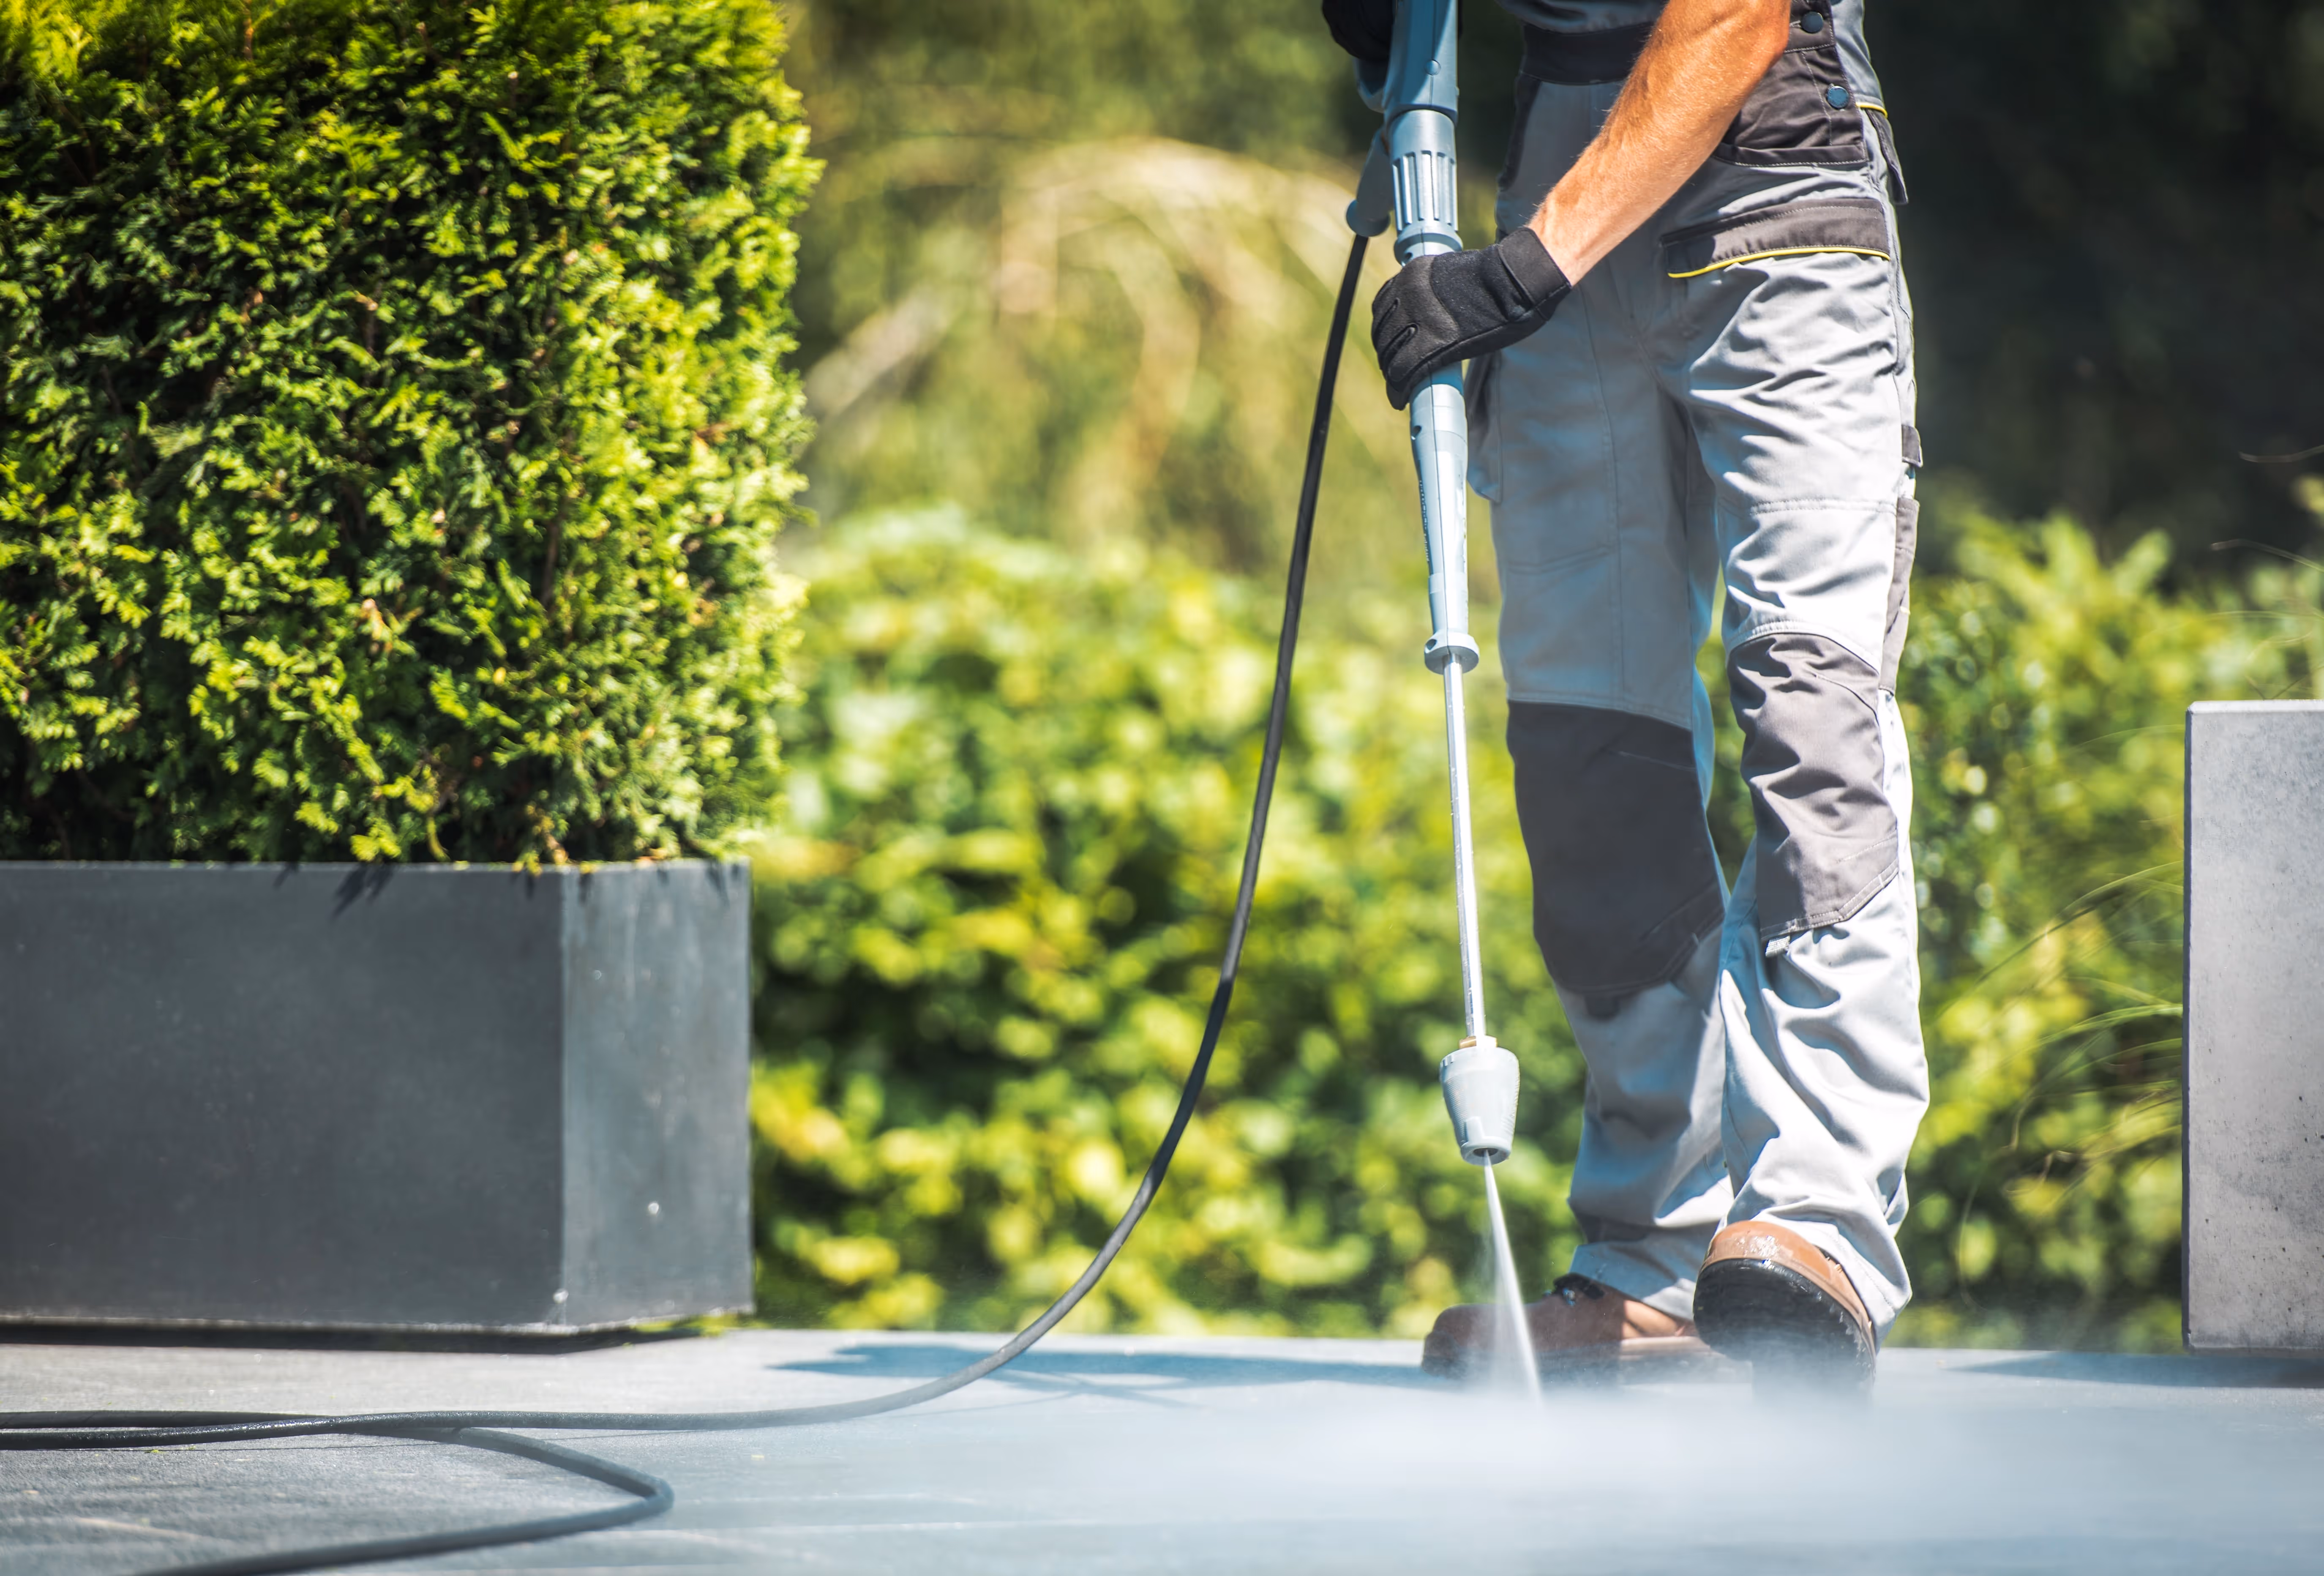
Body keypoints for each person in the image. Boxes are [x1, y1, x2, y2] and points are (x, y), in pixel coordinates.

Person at [1324, 0, 1926, 1382]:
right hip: (1559, 170)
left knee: (1808, 712)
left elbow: (1731, 19)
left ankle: (1817, 1222)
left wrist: (1522, 270)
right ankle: (1656, 1256)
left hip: (1778, 183)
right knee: (1589, 747)